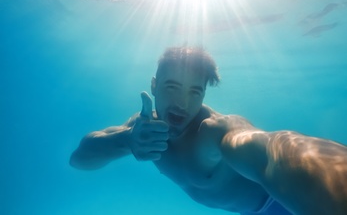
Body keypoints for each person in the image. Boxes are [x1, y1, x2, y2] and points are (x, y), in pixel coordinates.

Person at [70, 46, 347, 215]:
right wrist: (126, 141)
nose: (182, 103)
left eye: (195, 91)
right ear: (154, 85)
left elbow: (272, 152)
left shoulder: (213, 132)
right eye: (171, 87)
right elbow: (79, 160)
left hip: (288, 204)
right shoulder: (140, 128)